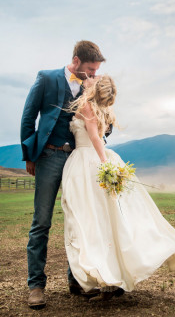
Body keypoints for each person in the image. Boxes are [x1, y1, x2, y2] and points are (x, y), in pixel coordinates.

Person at [61, 75, 175, 301]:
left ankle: (105, 276)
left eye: (93, 77)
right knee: (106, 221)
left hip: (86, 164)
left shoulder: (87, 107)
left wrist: (106, 167)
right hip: (95, 160)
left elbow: (94, 138)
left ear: (95, 88)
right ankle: (109, 276)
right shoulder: (101, 110)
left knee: (89, 220)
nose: (88, 78)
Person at [20, 40, 106, 309]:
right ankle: (36, 286)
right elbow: (28, 116)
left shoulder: (91, 86)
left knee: (79, 221)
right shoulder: (46, 78)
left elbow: (101, 122)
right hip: (48, 156)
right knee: (42, 221)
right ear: (76, 60)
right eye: (90, 70)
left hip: (78, 159)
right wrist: (29, 155)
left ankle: (77, 280)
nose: (92, 75)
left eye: (96, 71)